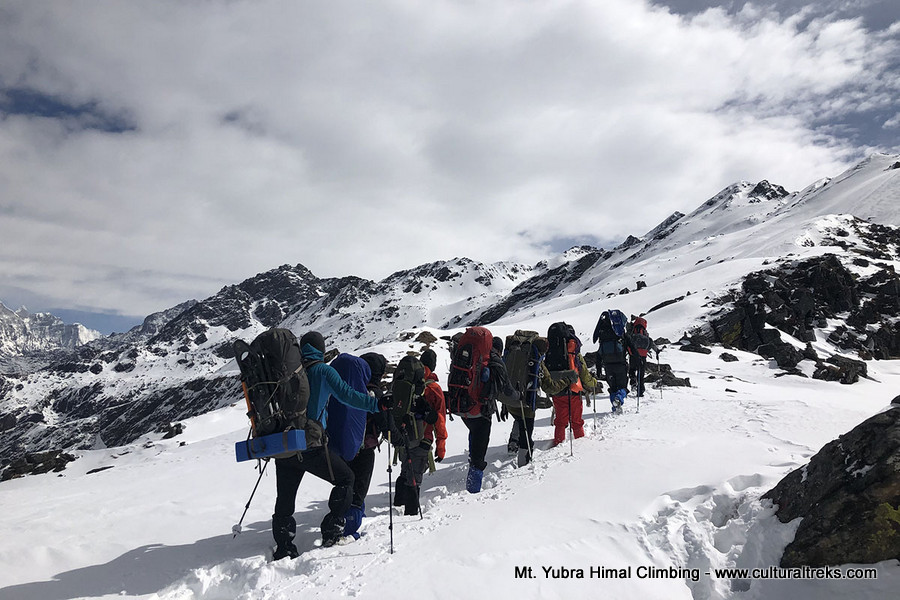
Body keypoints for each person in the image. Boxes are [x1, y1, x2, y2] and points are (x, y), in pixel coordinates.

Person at [271, 331, 379, 559]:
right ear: (320, 349)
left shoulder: (288, 371)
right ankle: (332, 530)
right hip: (310, 445)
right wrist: (375, 404)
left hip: (284, 445)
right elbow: (348, 395)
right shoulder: (323, 370)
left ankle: (284, 547)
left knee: (285, 499)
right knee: (346, 479)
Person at [393, 349, 447, 515]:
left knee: (405, 469)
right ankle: (410, 513)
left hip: (402, 435)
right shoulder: (434, 388)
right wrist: (441, 447)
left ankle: (398, 504)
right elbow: (440, 420)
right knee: (415, 475)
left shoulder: (405, 382)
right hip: (423, 437)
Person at [461, 335, 517, 493]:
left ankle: (472, 461)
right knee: (479, 455)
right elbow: (507, 389)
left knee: (474, 434)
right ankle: (473, 491)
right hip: (482, 411)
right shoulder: (495, 361)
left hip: (465, 408)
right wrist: (518, 396)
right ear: (499, 349)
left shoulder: (476, 357)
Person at [543, 323, 597, 446]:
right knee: (576, 420)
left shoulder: (551, 351)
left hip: (557, 389)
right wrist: (593, 383)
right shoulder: (574, 352)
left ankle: (558, 442)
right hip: (573, 390)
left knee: (560, 420)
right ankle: (580, 444)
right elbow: (584, 374)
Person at [594, 311, 639, 414]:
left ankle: (615, 407)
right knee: (622, 387)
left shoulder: (603, 335)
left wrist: (598, 369)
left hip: (608, 366)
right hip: (620, 364)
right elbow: (632, 349)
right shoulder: (621, 334)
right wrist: (638, 361)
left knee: (613, 388)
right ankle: (618, 399)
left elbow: (599, 354)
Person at [627, 316, 659, 397]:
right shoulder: (645, 333)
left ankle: (633, 382)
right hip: (643, 356)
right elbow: (651, 343)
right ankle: (640, 391)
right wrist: (657, 350)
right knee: (641, 374)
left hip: (633, 355)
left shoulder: (632, 331)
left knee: (632, 370)